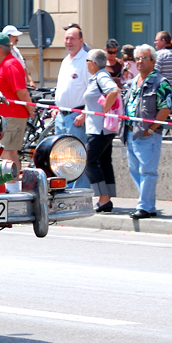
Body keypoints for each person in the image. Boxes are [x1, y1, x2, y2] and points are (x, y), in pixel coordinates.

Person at [120, 44, 172, 219]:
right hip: (131, 132)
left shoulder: (160, 82)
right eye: (138, 58)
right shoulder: (134, 81)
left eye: (144, 58)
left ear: (153, 61)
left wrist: (151, 129)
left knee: (148, 171)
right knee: (134, 169)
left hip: (147, 134)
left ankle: (144, 206)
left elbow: (165, 108)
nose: (140, 62)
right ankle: (147, 205)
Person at [0, 32, 32, 169]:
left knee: (7, 152)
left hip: (11, 116)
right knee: (5, 152)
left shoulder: (11, 65)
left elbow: (21, 91)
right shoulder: (4, 64)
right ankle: (8, 186)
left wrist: (30, 109)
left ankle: (12, 187)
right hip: (4, 117)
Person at [81, 49, 119, 212]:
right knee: (104, 162)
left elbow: (113, 90)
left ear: (93, 64)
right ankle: (107, 198)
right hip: (100, 127)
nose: (86, 64)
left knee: (89, 161)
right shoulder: (97, 77)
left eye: (87, 61)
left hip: (100, 129)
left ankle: (103, 198)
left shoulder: (101, 76)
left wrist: (104, 109)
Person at [53, 23, 90, 187]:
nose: (69, 42)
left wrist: (85, 113)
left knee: (77, 158)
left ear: (81, 40)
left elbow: (92, 90)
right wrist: (56, 108)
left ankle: (79, 192)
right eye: (67, 38)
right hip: (61, 116)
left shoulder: (86, 61)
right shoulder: (65, 61)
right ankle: (66, 190)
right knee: (62, 157)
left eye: (72, 39)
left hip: (77, 116)